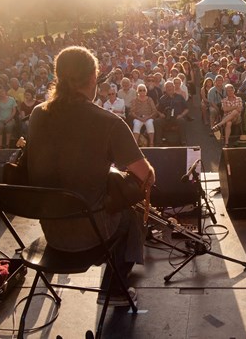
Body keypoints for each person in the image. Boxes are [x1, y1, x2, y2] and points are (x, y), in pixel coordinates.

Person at [27, 46, 155, 306]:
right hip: (90, 234)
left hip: (51, 232)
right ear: (93, 78)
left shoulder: (38, 113)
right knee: (131, 214)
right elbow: (146, 176)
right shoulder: (108, 122)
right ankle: (116, 290)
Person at [154, 81, 189, 146]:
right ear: (165, 89)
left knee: (182, 121)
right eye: (167, 87)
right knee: (157, 122)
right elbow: (157, 110)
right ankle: (158, 142)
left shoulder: (179, 97)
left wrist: (181, 115)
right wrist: (160, 114)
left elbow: (186, 109)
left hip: (176, 118)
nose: (169, 88)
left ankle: (183, 141)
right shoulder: (162, 98)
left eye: (170, 86)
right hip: (166, 118)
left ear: (173, 87)